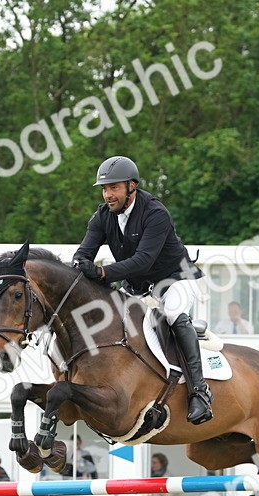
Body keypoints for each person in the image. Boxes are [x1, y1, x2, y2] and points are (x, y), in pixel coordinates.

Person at [71, 155, 212, 424]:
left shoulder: (156, 214)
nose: (108, 195)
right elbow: (84, 251)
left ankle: (199, 392)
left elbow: (144, 260)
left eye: (114, 188)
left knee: (171, 314)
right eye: (104, 189)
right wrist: (79, 262)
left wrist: (102, 272)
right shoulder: (103, 216)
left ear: (131, 186)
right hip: (137, 288)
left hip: (175, 280)